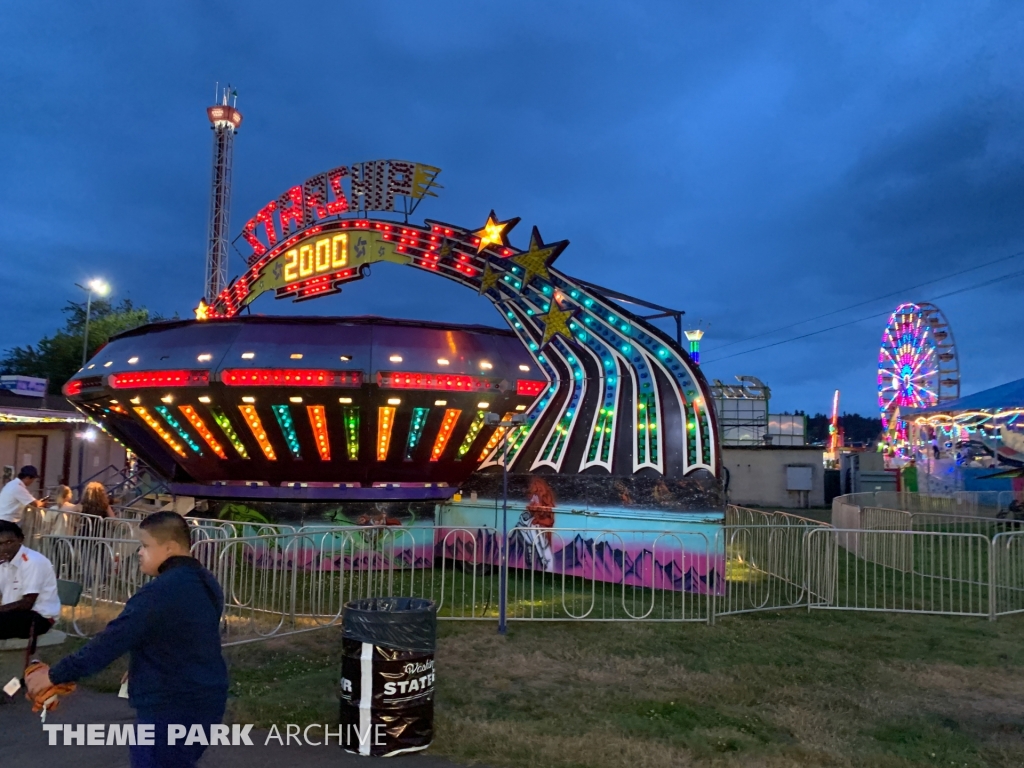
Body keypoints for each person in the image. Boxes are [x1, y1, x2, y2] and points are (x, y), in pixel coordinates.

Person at [26, 512, 229, 768]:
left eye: (145, 546)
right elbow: (185, 637)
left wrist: (56, 674)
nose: (139, 553)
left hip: (168, 704)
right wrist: (141, 665)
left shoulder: (159, 591)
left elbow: (111, 641)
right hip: (207, 697)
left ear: (169, 548)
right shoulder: (207, 582)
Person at [0, 521, 61, 652]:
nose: (5, 548)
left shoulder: (32, 561)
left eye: (9, 542)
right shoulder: (4, 562)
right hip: (16, 614)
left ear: (21, 539)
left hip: (39, 617)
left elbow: (27, 603)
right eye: (0, 544)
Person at [518, 477, 556, 572]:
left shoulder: (545, 500)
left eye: (536, 490)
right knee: (526, 527)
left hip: (542, 528)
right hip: (536, 526)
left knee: (533, 529)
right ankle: (532, 552)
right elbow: (531, 507)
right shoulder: (536, 498)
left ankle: (539, 556)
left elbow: (549, 520)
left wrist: (538, 519)